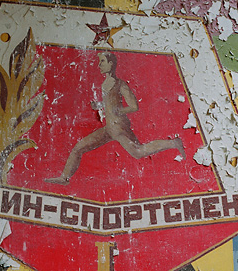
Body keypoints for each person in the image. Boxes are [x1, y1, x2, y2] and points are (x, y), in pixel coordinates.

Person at [46, 52, 184, 184]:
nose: (99, 65)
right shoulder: (105, 84)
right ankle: (64, 177)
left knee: (138, 151)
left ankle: (173, 143)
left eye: (102, 62)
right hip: (109, 128)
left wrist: (119, 110)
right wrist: (99, 105)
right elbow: (111, 102)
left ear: (111, 64)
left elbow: (134, 106)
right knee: (79, 147)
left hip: (119, 127)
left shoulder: (120, 84)